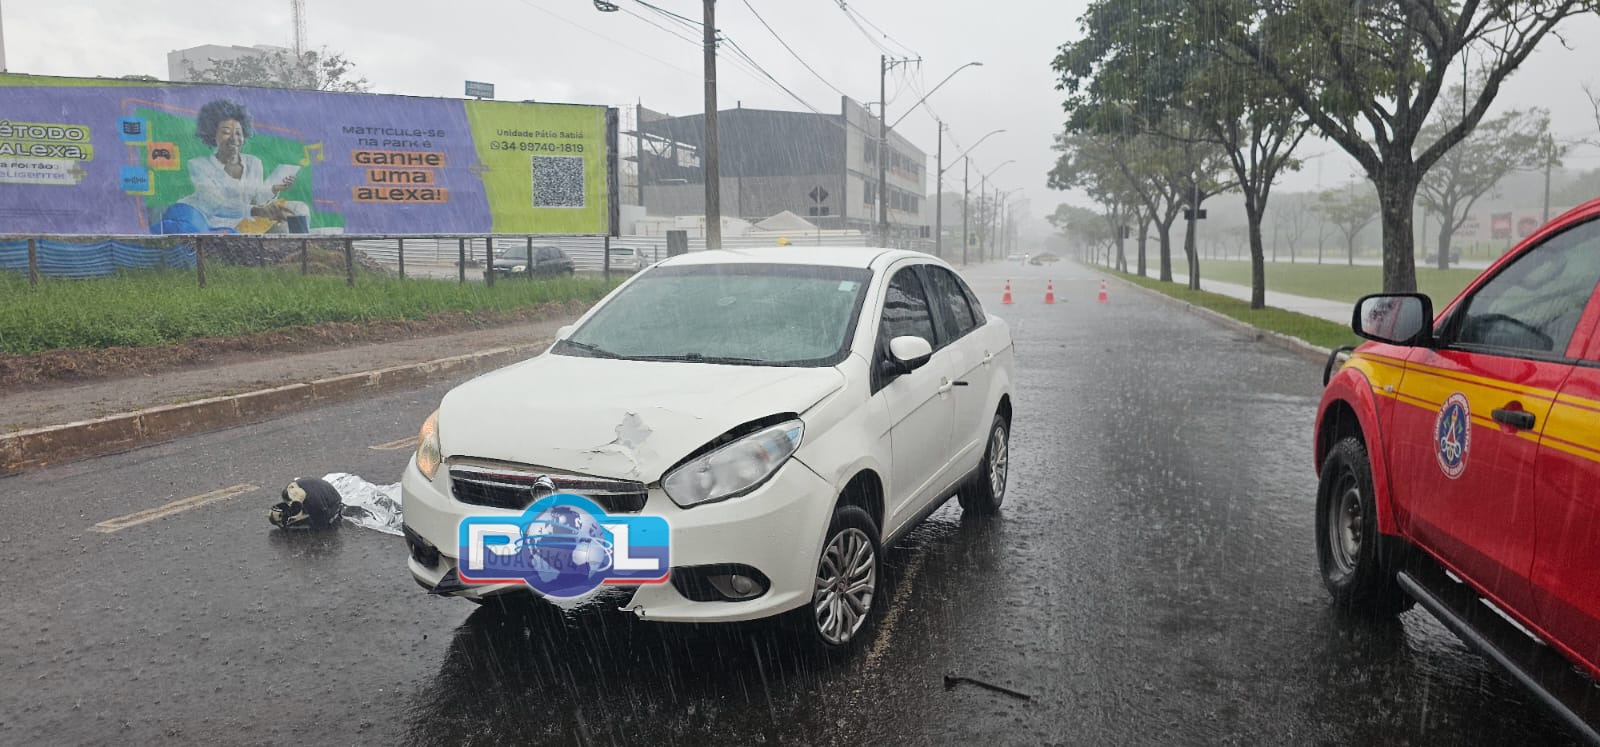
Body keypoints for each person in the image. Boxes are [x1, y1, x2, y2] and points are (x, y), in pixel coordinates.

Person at [175, 100, 308, 233]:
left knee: (299, 209)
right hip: (218, 226)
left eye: (239, 133)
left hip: (249, 219)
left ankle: (304, 246)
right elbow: (216, 205)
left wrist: (274, 189)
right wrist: (257, 211)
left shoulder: (253, 163)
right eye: (226, 132)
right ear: (212, 134)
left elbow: (257, 199)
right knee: (283, 229)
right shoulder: (199, 165)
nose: (234, 138)